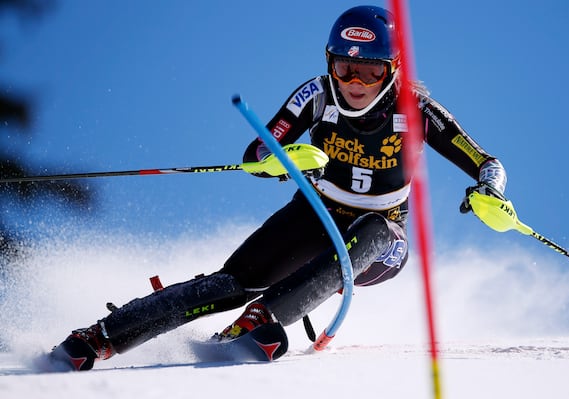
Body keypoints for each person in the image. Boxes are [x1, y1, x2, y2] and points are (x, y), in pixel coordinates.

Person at [48, 5, 507, 371]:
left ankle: (266, 318)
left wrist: (491, 193)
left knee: (375, 234)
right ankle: (102, 336)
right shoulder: (316, 95)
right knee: (234, 281)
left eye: (369, 72)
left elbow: (487, 163)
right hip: (317, 214)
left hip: (383, 236)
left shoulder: (417, 109)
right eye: (345, 68)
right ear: (330, 62)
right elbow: (255, 154)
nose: (354, 83)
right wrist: (284, 162)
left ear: (393, 69)